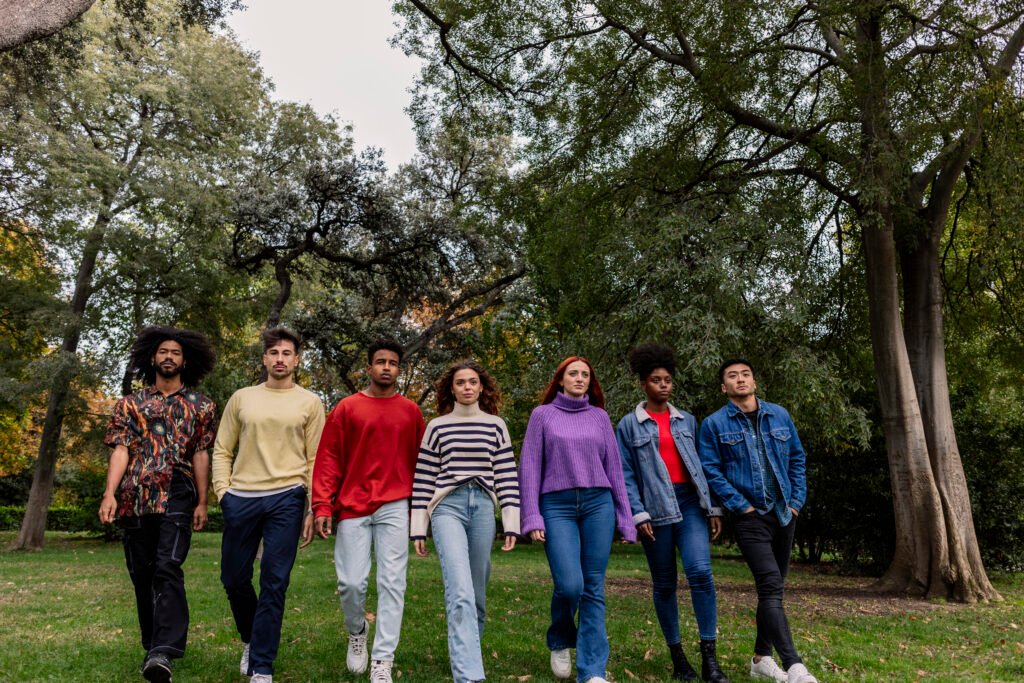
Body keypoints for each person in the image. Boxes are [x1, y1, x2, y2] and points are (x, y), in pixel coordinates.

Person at [100, 326, 217, 683]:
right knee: (142, 575)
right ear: (152, 357)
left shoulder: (202, 406)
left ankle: (163, 651)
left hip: (178, 494)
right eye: (163, 351)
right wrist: (110, 493)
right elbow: (120, 450)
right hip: (135, 496)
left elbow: (201, 453)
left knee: (168, 567)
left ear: (185, 360)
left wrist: (202, 500)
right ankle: (153, 645)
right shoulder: (129, 404)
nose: (169, 357)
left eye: (176, 353)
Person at [212, 326, 325, 683]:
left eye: (287, 353)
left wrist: (311, 506)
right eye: (274, 353)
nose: (280, 359)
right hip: (241, 498)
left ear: (296, 360)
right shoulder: (242, 398)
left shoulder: (309, 402)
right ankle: (251, 638)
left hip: (286, 498)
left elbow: (315, 459)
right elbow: (222, 449)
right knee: (233, 579)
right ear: (264, 358)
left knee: (274, 581)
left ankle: (262, 666)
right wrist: (223, 493)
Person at [311, 339, 425, 683]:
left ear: (398, 369)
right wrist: (321, 504)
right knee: (351, 582)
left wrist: (421, 511)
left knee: (393, 582)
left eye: (392, 362)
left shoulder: (411, 412)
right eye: (380, 361)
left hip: (395, 503)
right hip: (353, 505)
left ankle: (383, 659)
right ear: (369, 367)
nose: (386, 367)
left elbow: (423, 463)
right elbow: (328, 458)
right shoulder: (346, 408)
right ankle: (357, 630)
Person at [615, 344, 730, 683]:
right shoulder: (629, 425)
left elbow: (700, 468)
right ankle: (679, 658)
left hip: (690, 504)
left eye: (667, 380)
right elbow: (625, 474)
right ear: (643, 385)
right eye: (656, 380)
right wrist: (638, 514)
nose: (663, 385)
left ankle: (710, 658)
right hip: (655, 511)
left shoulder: (687, 421)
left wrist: (712, 508)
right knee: (664, 584)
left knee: (700, 572)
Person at [519, 356, 637, 683]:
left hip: (598, 504)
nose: (580, 378)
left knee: (593, 589)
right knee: (571, 585)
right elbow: (529, 466)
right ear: (560, 380)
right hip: (556, 506)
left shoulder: (600, 417)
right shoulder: (542, 416)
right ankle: (559, 637)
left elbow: (615, 470)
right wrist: (532, 515)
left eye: (585, 374)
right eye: (573, 373)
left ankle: (592, 671)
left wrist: (625, 519)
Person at [698, 359, 817, 683]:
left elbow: (796, 459)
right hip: (749, 516)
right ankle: (795, 666)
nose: (740, 380)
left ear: (754, 381)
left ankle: (761, 658)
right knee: (769, 584)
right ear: (724, 387)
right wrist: (740, 506)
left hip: (783, 513)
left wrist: (795, 503)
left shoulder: (779, 415)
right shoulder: (714, 424)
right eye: (732, 377)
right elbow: (711, 470)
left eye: (745, 374)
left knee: (774, 589)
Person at [410, 360, 520, 683]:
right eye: (461, 382)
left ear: (481, 387)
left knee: (477, 596)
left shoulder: (496, 425)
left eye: (473, 382)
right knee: (459, 591)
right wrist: (419, 525)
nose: (468, 387)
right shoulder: (437, 426)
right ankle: (469, 674)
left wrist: (510, 522)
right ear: (452, 388)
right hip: (447, 507)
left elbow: (506, 476)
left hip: (484, 507)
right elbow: (424, 477)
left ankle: (466, 650)